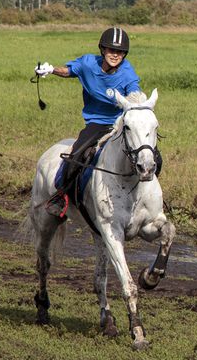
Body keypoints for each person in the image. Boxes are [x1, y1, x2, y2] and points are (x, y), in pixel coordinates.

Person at [34, 26, 148, 218]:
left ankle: (149, 197)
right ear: (102, 50)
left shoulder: (127, 71)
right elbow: (69, 71)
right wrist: (51, 69)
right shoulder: (88, 63)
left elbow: (134, 90)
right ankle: (60, 195)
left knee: (149, 152)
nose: (115, 55)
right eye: (111, 50)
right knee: (77, 153)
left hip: (119, 122)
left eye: (120, 52)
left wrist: (138, 102)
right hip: (97, 123)